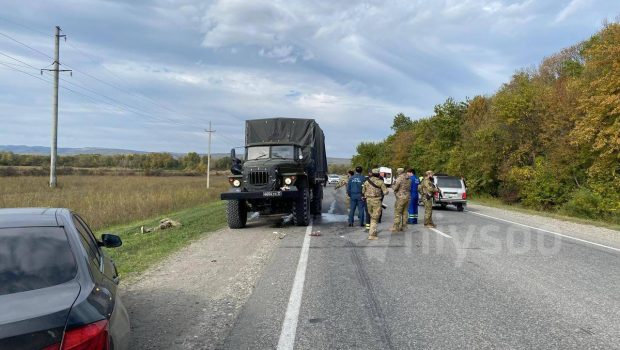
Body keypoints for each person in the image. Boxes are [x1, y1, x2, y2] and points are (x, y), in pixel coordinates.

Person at [362, 168, 388, 240]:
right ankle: (372, 235)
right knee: (375, 218)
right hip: (376, 201)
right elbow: (386, 192)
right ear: (378, 174)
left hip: (368, 201)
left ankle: (371, 231)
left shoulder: (367, 181)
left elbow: (363, 191)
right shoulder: (380, 182)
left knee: (371, 215)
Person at [390, 168, 411, 232]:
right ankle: (404, 226)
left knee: (397, 212)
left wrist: (392, 186)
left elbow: (395, 187)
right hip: (407, 197)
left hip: (400, 197)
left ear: (399, 172)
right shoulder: (408, 178)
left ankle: (396, 227)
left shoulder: (399, 178)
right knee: (405, 212)